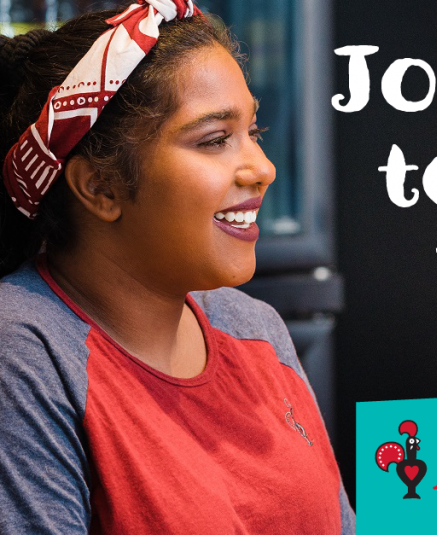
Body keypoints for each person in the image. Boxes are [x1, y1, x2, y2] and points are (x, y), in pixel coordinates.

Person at [0, 1, 355, 533]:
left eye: (253, 133)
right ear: (100, 186)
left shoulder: (254, 327)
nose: (263, 168)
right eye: (214, 140)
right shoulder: (23, 355)